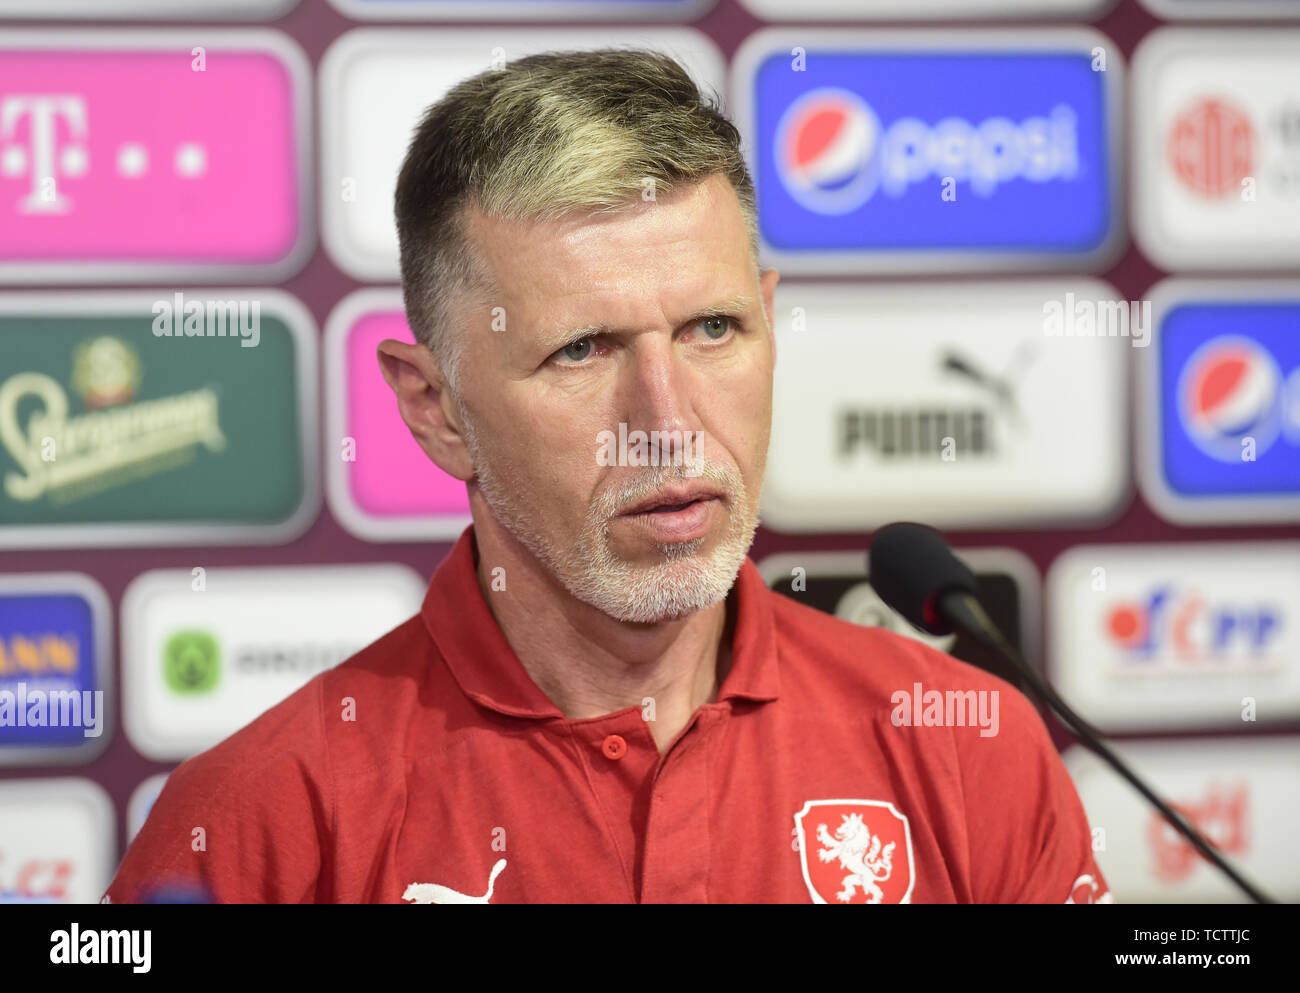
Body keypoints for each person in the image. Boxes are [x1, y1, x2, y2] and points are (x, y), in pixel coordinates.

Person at [104, 48, 1110, 904]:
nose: (667, 427)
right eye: (583, 350)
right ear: (435, 407)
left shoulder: (969, 750)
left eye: (712, 330)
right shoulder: (257, 826)